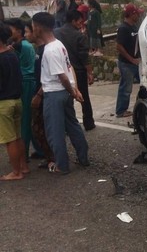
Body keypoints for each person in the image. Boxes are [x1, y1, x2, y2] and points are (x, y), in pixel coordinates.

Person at [31, 12, 89, 175]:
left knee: (54, 131)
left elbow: (62, 76)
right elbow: (70, 69)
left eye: (33, 26)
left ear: (38, 28)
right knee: (72, 125)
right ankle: (83, 157)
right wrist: (74, 89)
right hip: (64, 93)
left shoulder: (50, 50)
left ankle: (62, 165)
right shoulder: (59, 45)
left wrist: (73, 90)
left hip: (54, 94)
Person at [55, 10, 95, 131]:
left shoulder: (56, 33)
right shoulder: (79, 36)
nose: (81, 24)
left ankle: (68, 125)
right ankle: (89, 123)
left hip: (62, 72)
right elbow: (84, 56)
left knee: (66, 99)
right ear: (73, 21)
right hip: (78, 71)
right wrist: (90, 73)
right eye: (79, 21)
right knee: (84, 98)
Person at [25, 22, 56, 171]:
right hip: (41, 92)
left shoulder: (46, 51)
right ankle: (49, 156)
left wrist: (38, 95)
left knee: (42, 128)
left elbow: (50, 76)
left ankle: (53, 159)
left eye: (27, 32)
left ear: (36, 30)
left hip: (45, 94)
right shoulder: (38, 50)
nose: (26, 35)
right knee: (40, 128)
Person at [0, 23, 29, 181]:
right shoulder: (12, 54)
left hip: (3, 103)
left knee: (9, 139)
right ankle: (23, 166)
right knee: (18, 136)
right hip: (17, 100)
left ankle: (16, 172)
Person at [6, 18, 37, 159]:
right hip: (27, 82)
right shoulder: (23, 45)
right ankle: (37, 150)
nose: (8, 32)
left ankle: (23, 155)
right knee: (28, 118)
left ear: (19, 31)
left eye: (10, 29)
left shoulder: (21, 46)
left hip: (25, 82)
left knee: (24, 120)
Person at [115, 3, 143, 118]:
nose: (138, 16)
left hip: (135, 62)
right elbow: (119, 46)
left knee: (142, 84)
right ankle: (121, 110)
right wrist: (131, 59)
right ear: (132, 14)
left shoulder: (134, 27)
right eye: (137, 14)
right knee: (126, 88)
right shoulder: (123, 28)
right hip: (127, 63)